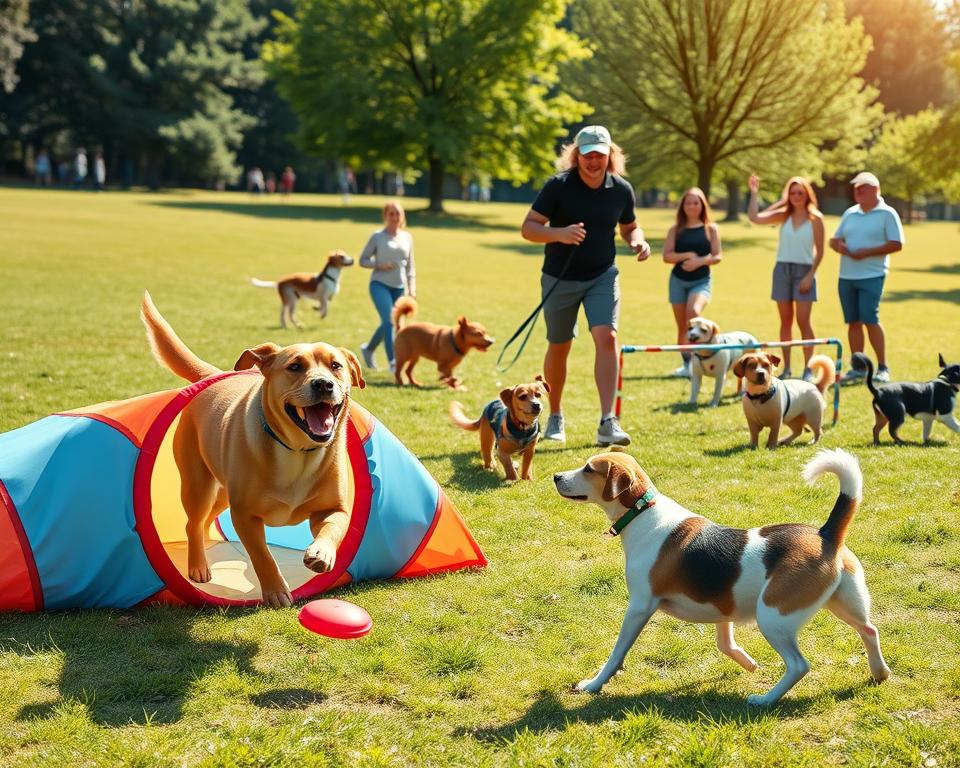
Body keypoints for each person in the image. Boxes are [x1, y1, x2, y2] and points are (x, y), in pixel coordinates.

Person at [521, 125, 652, 447]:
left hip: (602, 274)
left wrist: (638, 241)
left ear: (610, 157)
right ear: (576, 155)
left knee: (607, 337)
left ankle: (608, 421)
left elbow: (630, 226)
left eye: (600, 155)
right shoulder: (558, 186)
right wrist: (559, 233)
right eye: (587, 154)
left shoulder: (621, 189)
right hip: (559, 278)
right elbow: (529, 228)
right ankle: (555, 416)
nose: (593, 161)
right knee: (559, 344)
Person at [748, 174, 825, 381]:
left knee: (803, 322)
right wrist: (754, 193)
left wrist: (810, 275)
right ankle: (787, 367)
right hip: (782, 271)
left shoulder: (815, 217)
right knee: (785, 322)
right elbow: (755, 217)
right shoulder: (784, 215)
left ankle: (808, 369)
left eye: (800, 192)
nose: (796, 196)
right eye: (792, 193)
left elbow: (820, 250)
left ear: (807, 194)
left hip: (805, 272)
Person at [829, 172, 904, 383]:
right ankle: (859, 367)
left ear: (875, 189)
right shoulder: (850, 213)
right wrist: (839, 246)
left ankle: (882, 367)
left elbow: (896, 244)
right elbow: (833, 240)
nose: (857, 191)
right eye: (855, 188)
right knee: (853, 322)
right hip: (846, 276)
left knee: (870, 319)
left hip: (872, 274)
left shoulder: (888, 214)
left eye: (862, 188)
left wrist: (866, 252)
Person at [662, 187, 723, 378]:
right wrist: (687, 255)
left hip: (701, 281)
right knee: (683, 326)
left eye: (695, 203)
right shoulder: (676, 229)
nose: (692, 206)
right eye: (688, 203)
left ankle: (702, 359)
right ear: (683, 206)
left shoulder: (710, 229)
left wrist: (700, 261)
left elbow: (717, 256)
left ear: (702, 205)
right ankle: (687, 365)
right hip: (678, 281)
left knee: (693, 314)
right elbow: (667, 256)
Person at [359, 200, 416, 372]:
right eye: (391, 213)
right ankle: (393, 362)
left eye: (397, 213)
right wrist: (379, 265)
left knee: (392, 324)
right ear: (385, 216)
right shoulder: (377, 237)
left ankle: (368, 349)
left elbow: (410, 267)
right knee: (389, 322)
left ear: (402, 215)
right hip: (379, 284)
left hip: (400, 287)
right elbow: (363, 260)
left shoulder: (407, 237)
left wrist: (412, 289)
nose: (394, 217)